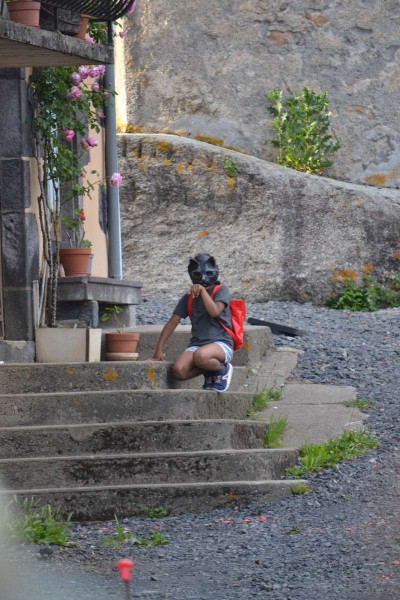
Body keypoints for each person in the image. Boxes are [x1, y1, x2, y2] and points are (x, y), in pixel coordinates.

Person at [151, 254, 234, 392]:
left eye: (209, 273)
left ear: (216, 271)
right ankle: (209, 370)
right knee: (179, 371)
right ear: (190, 274)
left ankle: (222, 369)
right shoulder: (188, 298)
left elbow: (214, 312)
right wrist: (158, 350)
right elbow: (171, 323)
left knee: (201, 356)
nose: (203, 278)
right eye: (197, 274)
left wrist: (202, 292)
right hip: (197, 345)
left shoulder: (221, 290)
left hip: (221, 343)